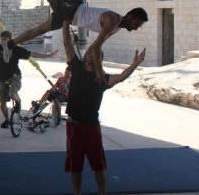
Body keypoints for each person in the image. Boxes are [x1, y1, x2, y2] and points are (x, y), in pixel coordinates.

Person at [11, 0, 148, 83]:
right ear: (130, 16)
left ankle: (11, 44)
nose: (136, 28)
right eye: (136, 24)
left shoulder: (116, 28)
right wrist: (99, 72)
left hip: (70, 17)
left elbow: (93, 46)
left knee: (40, 30)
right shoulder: (113, 20)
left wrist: (81, 65)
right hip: (71, 7)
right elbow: (96, 47)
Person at [61, 20, 145, 195]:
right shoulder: (76, 69)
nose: (92, 57)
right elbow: (67, 44)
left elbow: (121, 77)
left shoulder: (102, 79)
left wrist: (135, 64)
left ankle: (103, 193)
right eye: (90, 55)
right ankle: (77, 193)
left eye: (96, 55)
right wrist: (64, 22)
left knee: (97, 164)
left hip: (91, 127)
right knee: (75, 165)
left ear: (100, 60)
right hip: (74, 125)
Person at [0, 24, 57, 129]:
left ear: (10, 40)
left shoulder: (17, 49)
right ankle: (7, 120)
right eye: (2, 39)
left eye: (6, 39)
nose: (4, 41)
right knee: (2, 102)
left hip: (15, 77)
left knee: (13, 93)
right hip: (2, 79)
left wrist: (48, 55)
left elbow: (32, 54)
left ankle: (18, 102)